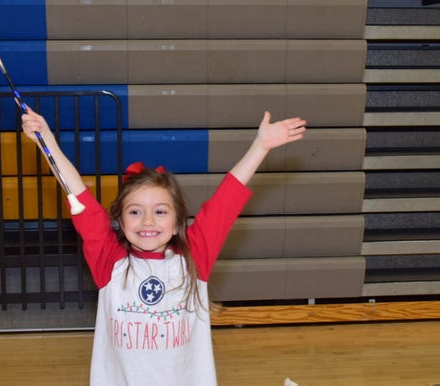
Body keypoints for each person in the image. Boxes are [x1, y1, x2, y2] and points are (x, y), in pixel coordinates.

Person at [22, 108, 306, 386]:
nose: (148, 221)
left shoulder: (195, 255)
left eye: (160, 212)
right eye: (135, 212)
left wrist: (260, 147)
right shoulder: (108, 259)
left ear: (177, 221)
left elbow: (226, 200)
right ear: (119, 219)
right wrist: (47, 142)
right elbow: (80, 198)